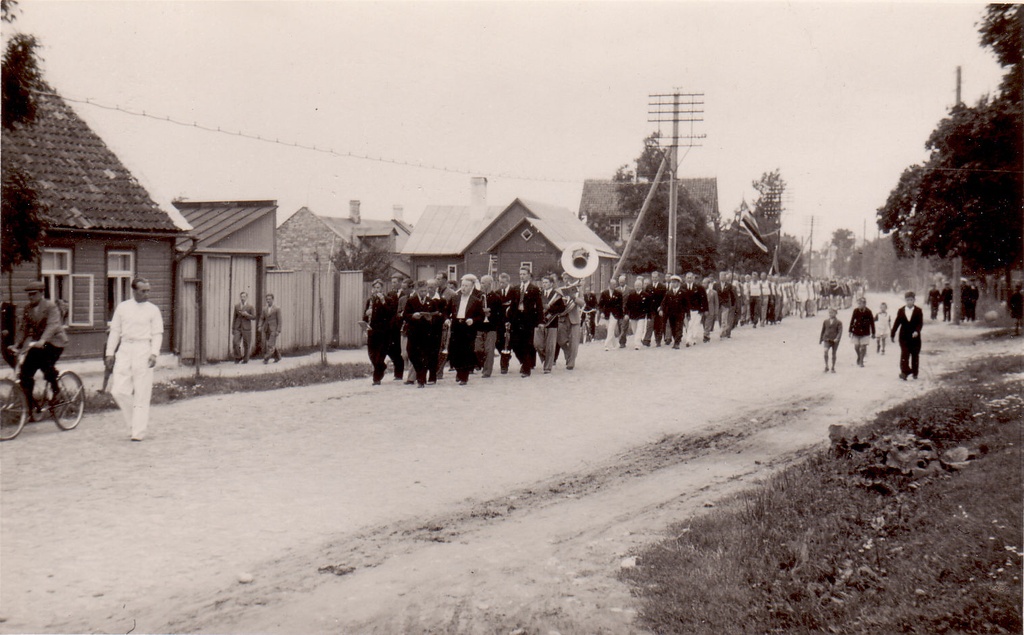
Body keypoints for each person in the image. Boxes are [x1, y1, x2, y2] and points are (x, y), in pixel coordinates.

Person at [105, 277, 163, 441]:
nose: (147, 294)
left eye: (148, 290)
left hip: (143, 350)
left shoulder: (153, 310)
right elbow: (115, 331)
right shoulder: (123, 308)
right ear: (134, 290)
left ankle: (138, 431)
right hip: (124, 349)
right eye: (143, 291)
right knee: (118, 391)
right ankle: (133, 423)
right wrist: (110, 353)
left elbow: (157, 333)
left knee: (142, 392)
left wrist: (154, 353)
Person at [11, 281, 69, 415]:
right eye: (29, 295)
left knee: (46, 366)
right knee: (25, 373)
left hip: (55, 342)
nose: (30, 297)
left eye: (33, 294)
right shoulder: (27, 309)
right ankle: (29, 408)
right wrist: (16, 344)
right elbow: (23, 329)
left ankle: (57, 392)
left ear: (42, 293)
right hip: (39, 344)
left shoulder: (51, 307)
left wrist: (43, 340)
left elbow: (52, 325)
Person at [403, 280, 442, 387]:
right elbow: (405, 315)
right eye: (421, 291)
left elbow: (437, 316)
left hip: (427, 334)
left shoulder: (431, 302)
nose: (423, 293)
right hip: (414, 333)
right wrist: (412, 316)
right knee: (411, 353)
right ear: (416, 290)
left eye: (425, 291)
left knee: (424, 356)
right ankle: (420, 374)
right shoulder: (411, 301)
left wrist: (431, 318)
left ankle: (421, 379)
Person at [447, 274, 485, 385]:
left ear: (471, 287)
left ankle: (464, 376)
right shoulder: (454, 298)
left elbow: (481, 316)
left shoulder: (476, 301)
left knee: (466, 352)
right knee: (455, 351)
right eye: (462, 285)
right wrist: (447, 319)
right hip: (456, 326)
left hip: (468, 328)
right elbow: (446, 311)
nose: (463, 288)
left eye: (466, 286)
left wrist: (473, 320)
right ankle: (459, 371)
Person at [509, 267, 543, 377]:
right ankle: (524, 362)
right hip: (517, 318)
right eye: (520, 274)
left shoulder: (534, 289)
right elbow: (512, 306)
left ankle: (526, 369)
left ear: (529, 275)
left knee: (527, 344)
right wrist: (509, 320)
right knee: (515, 343)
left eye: (524, 274)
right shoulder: (515, 288)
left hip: (528, 319)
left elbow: (539, 306)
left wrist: (540, 321)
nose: (522, 276)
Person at [364, 279, 395, 385]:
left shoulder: (388, 300)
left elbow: (391, 313)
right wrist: (366, 314)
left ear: (382, 288)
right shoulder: (370, 300)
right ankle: (382, 366)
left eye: (378, 288)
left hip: (384, 332)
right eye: (375, 288)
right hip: (372, 331)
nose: (376, 290)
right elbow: (365, 317)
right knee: (371, 354)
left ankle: (376, 379)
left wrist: (383, 302)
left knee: (380, 355)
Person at [891, 291, 924, 380]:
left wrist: (917, 331)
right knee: (904, 354)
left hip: (915, 337)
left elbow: (920, 323)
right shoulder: (901, 310)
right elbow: (897, 322)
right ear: (905, 300)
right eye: (907, 300)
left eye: (911, 300)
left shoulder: (918, 311)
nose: (909, 302)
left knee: (915, 355)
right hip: (904, 336)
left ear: (914, 300)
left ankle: (915, 373)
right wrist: (893, 333)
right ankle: (905, 372)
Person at [535, 275, 565, 373]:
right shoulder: (539, 294)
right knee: (537, 344)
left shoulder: (556, 294)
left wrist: (550, 308)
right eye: (543, 282)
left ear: (551, 284)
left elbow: (562, 308)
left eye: (546, 282)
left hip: (552, 322)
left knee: (551, 346)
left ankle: (547, 367)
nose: (544, 284)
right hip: (540, 322)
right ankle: (546, 358)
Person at [556, 272, 584, 370]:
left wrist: (574, 297)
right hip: (563, 318)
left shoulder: (577, 290)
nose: (566, 280)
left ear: (572, 279)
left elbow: (582, 303)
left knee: (574, 342)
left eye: (568, 278)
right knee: (561, 340)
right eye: (564, 278)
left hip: (574, 319)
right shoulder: (560, 290)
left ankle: (571, 362)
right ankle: (568, 354)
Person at [474, 274, 501, 378]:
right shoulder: (478, 297)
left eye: (483, 283)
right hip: (479, 327)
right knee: (478, 349)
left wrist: (491, 314)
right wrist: (481, 313)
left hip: (491, 328)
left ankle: (487, 371)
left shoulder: (496, 297)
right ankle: (480, 364)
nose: (481, 285)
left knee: (489, 350)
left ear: (489, 284)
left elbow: (500, 314)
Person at [386, 275, 406, 381]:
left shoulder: (405, 294)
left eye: (395, 282)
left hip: (401, 325)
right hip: (392, 326)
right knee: (391, 349)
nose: (393, 284)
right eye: (392, 282)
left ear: (400, 282)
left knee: (399, 349)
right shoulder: (390, 294)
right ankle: (397, 371)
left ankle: (399, 373)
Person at [495, 272, 516, 374]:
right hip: (500, 322)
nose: (501, 284)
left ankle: (504, 364)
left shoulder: (514, 292)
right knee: (498, 342)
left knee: (507, 343)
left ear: (508, 281)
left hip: (511, 321)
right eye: (500, 282)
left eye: (503, 282)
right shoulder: (497, 292)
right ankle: (505, 356)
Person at [660, 274, 687, 349]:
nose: (673, 284)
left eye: (675, 282)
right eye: (672, 282)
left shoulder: (683, 292)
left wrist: (687, 313)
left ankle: (677, 343)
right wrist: (661, 309)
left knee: (679, 327)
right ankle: (676, 339)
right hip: (671, 314)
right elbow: (664, 302)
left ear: (678, 283)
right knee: (673, 328)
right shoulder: (669, 292)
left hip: (680, 313)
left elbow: (687, 304)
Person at [848, 296, 876, 368]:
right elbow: (852, 320)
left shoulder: (868, 312)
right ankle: (859, 356)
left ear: (864, 304)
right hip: (856, 331)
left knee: (863, 347)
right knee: (856, 346)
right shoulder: (856, 311)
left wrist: (873, 333)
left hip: (865, 332)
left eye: (860, 303)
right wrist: (850, 331)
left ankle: (861, 361)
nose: (859, 305)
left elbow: (872, 322)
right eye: (858, 303)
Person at [680, 272, 706, 347]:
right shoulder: (683, 287)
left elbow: (703, 299)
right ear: (685, 278)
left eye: (690, 277)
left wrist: (702, 310)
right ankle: (689, 340)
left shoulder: (699, 288)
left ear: (693, 278)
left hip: (696, 310)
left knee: (695, 325)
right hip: (685, 310)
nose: (689, 279)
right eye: (687, 277)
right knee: (689, 325)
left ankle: (692, 338)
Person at [598, 277, 624, 351]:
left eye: (615, 284)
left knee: (611, 328)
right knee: (610, 329)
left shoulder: (618, 293)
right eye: (613, 284)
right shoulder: (604, 293)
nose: (615, 285)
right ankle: (616, 344)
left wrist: (621, 315)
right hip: (606, 314)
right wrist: (601, 312)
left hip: (615, 314)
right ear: (609, 284)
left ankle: (606, 344)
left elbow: (620, 305)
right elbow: (600, 305)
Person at [623, 276, 648, 350]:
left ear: (641, 286)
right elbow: (627, 305)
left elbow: (648, 306)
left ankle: (637, 344)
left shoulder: (645, 295)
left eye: (639, 286)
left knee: (640, 329)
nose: (637, 287)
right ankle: (638, 340)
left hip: (642, 315)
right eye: (636, 286)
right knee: (635, 330)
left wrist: (648, 315)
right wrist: (626, 314)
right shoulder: (631, 295)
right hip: (633, 315)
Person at [643, 271, 667, 347]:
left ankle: (658, 341)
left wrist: (661, 308)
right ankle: (647, 340)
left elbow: (664, 299)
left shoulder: (662, 287)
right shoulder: (648, 287)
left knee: (658, 325)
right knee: (650, 325)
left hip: (659, 309)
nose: (654, 279)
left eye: (656, 277)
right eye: (653, 277)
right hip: (651, 309)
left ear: (658, 278)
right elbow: (646, 298)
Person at [232, 291, 256, 363]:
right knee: (235, 342)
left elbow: (254, 317)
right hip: (238, 327)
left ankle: (245, 359)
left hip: (246, 328)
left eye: (244, 297)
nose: (242, 298)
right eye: (241, 297)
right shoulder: (237, 306)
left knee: (246, 344)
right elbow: (234, 317)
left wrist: (247, 315)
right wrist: (233, 328)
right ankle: (238, 357)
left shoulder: (250, 306)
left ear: (247, 297)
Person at [259, 293, 282, 363]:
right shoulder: (264, 309)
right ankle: (278, 357)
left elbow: (279, 320)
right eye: (267, 299)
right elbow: (261, 318)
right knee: (270, 344)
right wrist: (259, 326)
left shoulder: (277, 308)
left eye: (269, 299)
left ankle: (266, 359)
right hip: (266, 329)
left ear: (273, 299)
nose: (268, 300)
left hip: (274, 329)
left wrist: (278, 330)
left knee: (270, 344)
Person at [819, 307, 842, 373]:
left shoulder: (839, 322)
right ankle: (826, 366)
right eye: (829, 313)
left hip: (834, 340)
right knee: (825, 351)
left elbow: (840, 332)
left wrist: (837, 338)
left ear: (836, 313)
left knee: (833, 353)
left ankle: (833, 367)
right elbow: (823, 330)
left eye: (832, 313)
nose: (830, 314)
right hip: (827, 339)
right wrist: (821, 339)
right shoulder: (826, 321)